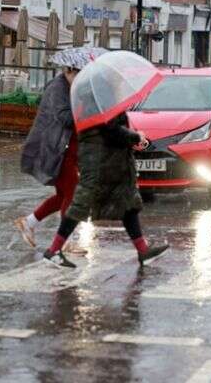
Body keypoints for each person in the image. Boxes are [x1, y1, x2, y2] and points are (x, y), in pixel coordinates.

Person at [43, 112, 169, 268]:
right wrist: (136, 136)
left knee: (128, 205)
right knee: (80, 205)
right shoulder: (99, 102)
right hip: (99, 164)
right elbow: (110, 130)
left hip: (108, 163)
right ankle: (54, 250)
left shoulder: (104, 101)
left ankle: (143, 251)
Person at [15, 60, 84, 251]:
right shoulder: (58, 88)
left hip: (68, 150)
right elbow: (65, 118)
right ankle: (66, 241)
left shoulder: (71, 86)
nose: (81, 78)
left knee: (64, 195)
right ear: (69, 70)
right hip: (56, 151)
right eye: (78, 73)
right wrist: (85, 110)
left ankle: (28, 222)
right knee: (72, 194)